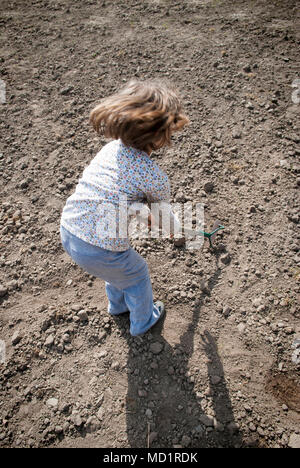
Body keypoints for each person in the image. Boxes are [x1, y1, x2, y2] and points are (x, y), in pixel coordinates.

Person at [60, 79, 189, 336]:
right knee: (137, 272)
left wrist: (140, 211)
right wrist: (178, 231)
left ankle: (117, 306)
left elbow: (110, 192)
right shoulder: (154, 176)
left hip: (69, 230)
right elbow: (163, 214)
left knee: (118, 271)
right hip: (100, 249)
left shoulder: (109, 150)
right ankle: (143, 322)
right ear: (161, 136)